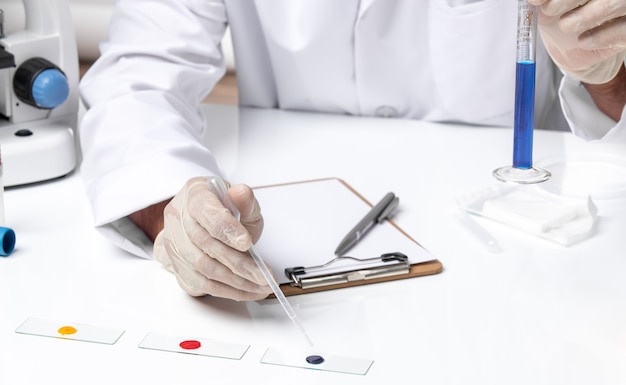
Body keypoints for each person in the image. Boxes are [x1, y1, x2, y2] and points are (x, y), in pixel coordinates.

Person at [79, 0, 626, 301]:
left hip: (522, 249)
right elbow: (139, 76)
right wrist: (178, 212)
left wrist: (605, 69)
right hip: (302, 225)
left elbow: (609, 80)